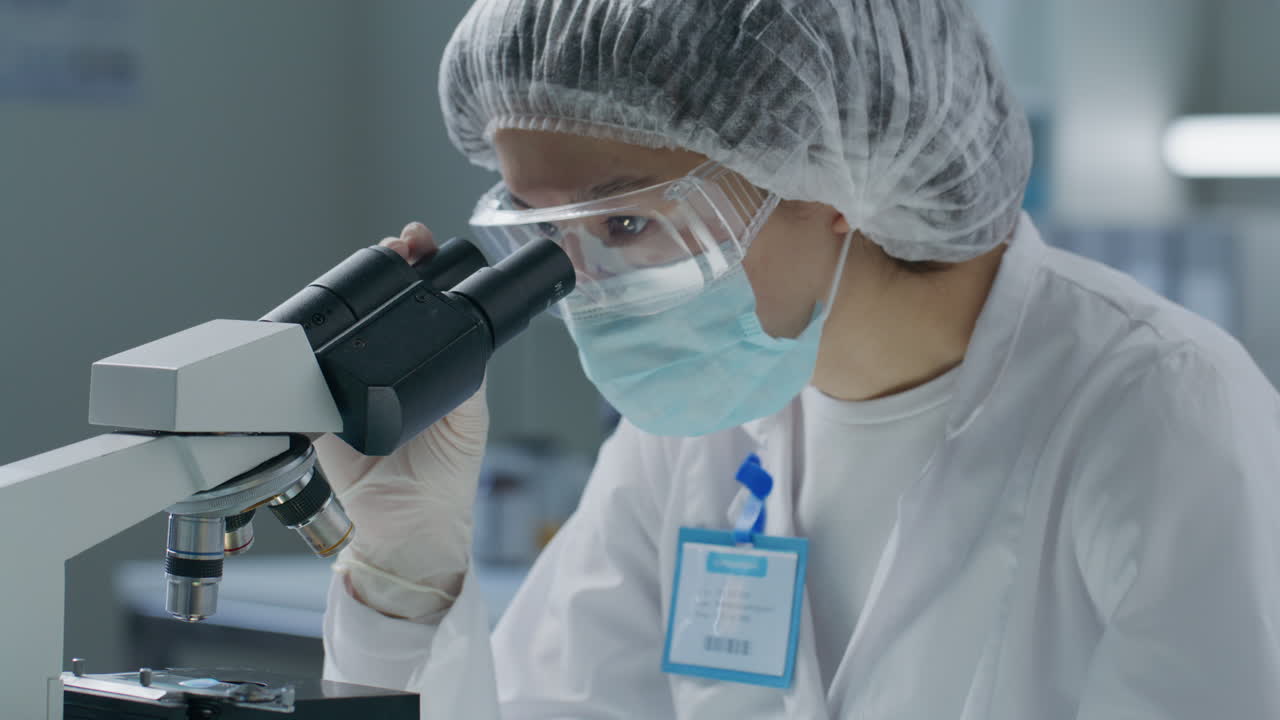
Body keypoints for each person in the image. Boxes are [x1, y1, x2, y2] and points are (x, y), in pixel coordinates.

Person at [318, 1, 1280, 717]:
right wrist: (406, 569)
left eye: (622, 222)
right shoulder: (698, 428)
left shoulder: (1158, 409)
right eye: (539, 233)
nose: (583, 283)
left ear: (835, 176)